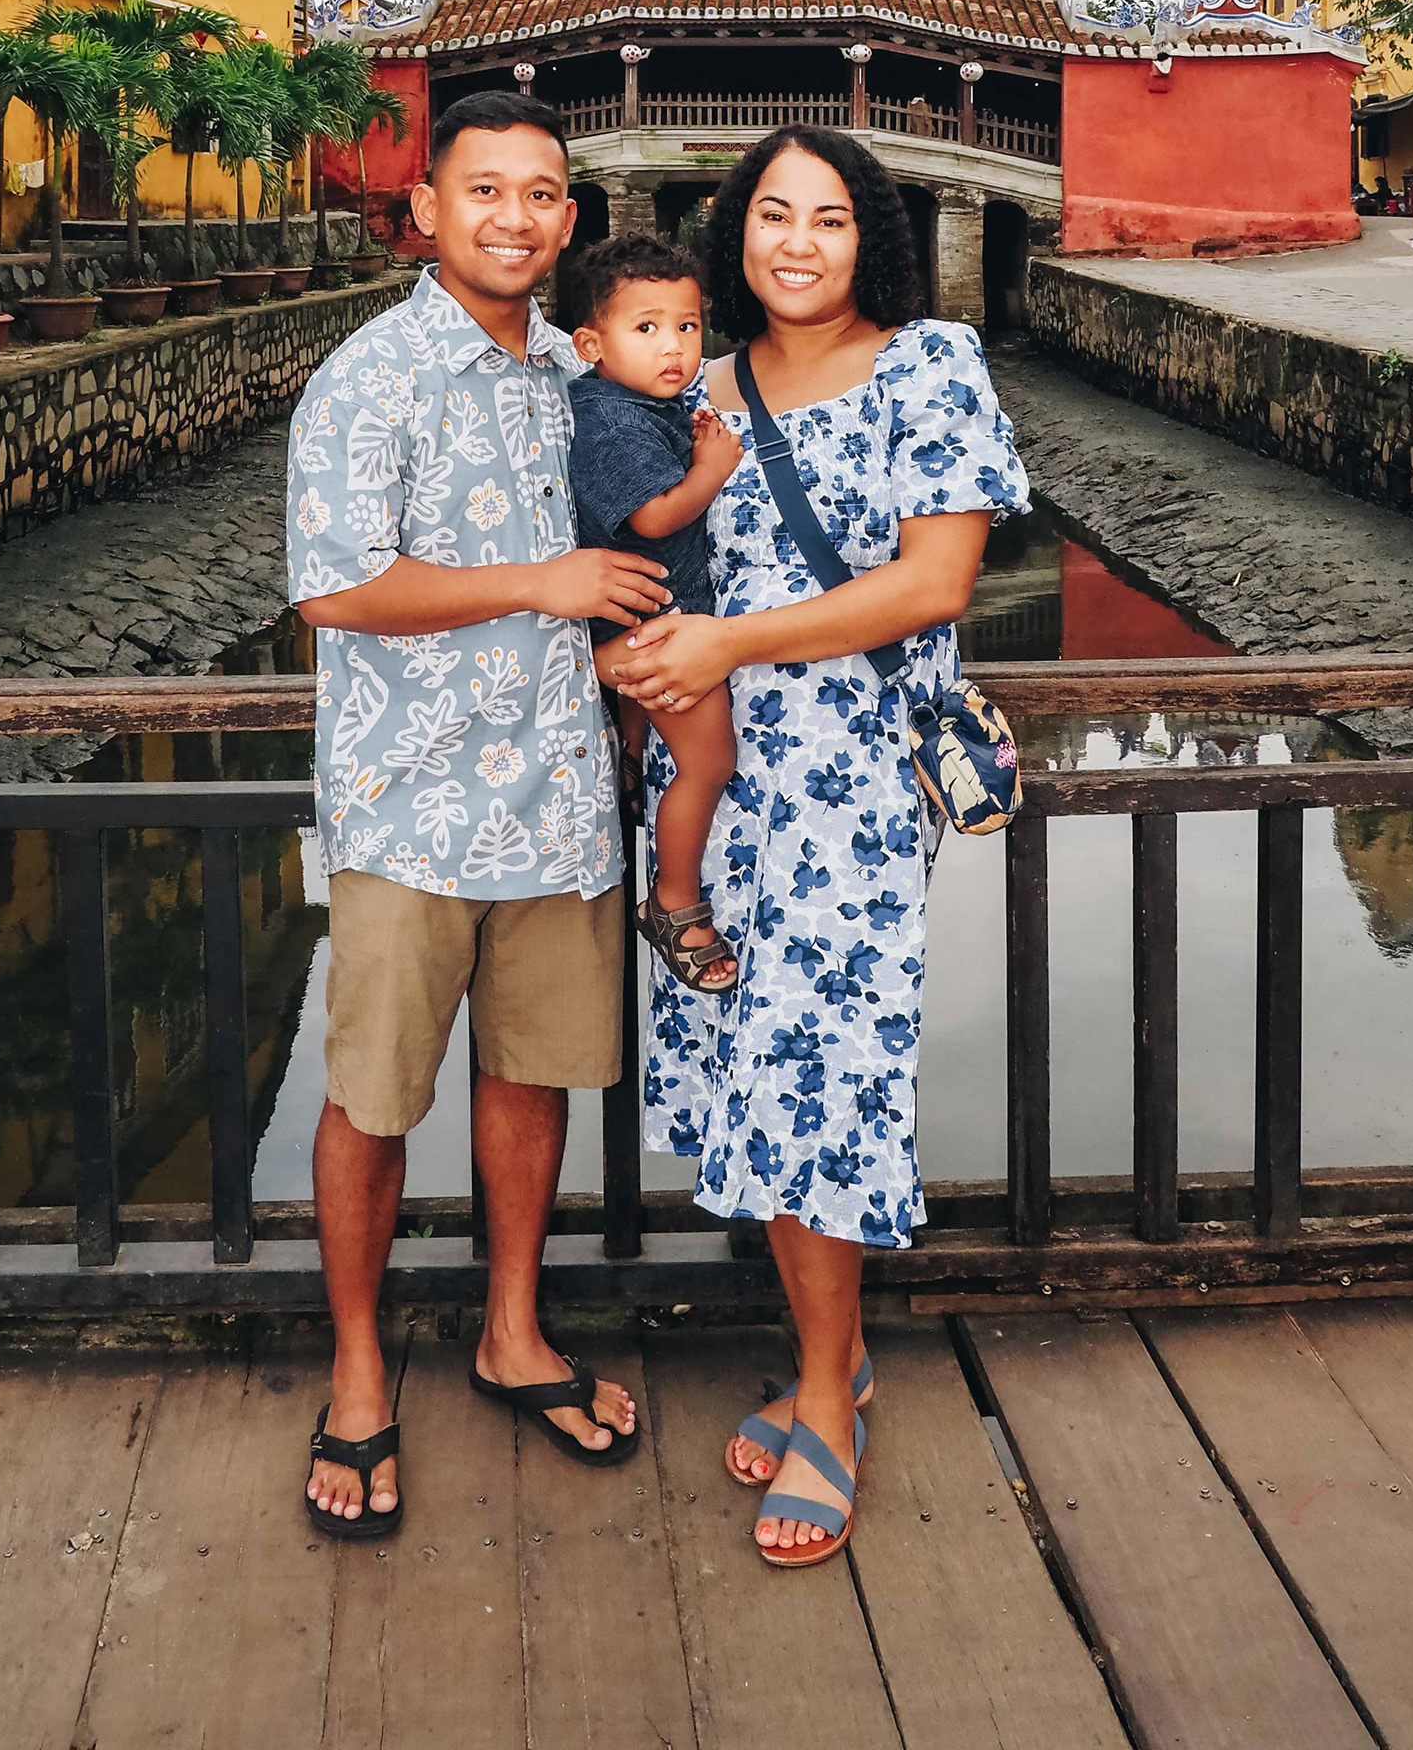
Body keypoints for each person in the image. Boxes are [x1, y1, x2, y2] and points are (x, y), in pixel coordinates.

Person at [611, 127, 1029, 1572]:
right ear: (736, 232)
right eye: (774, 216)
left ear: (872, 240)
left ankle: (831, 1410)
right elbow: (640, 545)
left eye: (831, 219)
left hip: (851, 792)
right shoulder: (699, 385)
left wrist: (730, 636)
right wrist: (640, 648)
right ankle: (825, 1360)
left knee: (824, 1065)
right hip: (720, 783)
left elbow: (937, 579)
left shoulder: (931, 365)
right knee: (758, 1063)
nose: (798, 242)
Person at [289, 90, 668, 1538]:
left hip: (560, 793)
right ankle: (359, 1370)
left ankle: (512, 1330)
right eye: (486, 189)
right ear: (427, 211)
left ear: (569, 220)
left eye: (542, 193)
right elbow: (333, 587)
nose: (516, 215)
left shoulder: (567, 370)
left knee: (531, 1076)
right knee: (372, 1097)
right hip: (408, 802)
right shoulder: (369, 378)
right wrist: (542, 581)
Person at [567, 233, 744, 993]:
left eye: (687, 326)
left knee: (669, 742)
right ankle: (674, 901)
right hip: (652, 630)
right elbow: (654, 517)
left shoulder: (640, 401)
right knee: (711, 762)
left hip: (648, 619)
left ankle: (630, 755)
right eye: (646, 329)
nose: (673, 347)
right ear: (589, 342)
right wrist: (711, 469)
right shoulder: (610, 418)